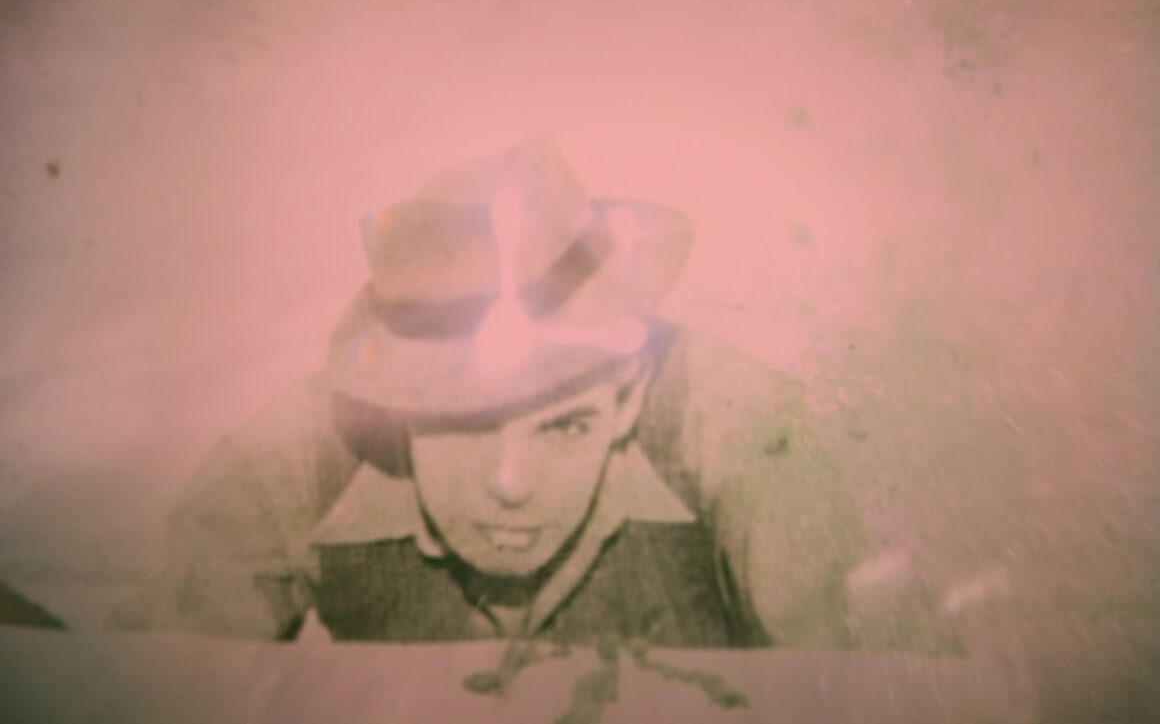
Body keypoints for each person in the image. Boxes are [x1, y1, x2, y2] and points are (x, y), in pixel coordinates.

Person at [111, 136, 866, 647]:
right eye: (463, 425)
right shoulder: (303, 452)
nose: (510, 486)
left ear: (629, 395)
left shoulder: (737, 429)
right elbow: (153, 687)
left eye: (565, 427)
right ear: (397, 406)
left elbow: (864, 686)